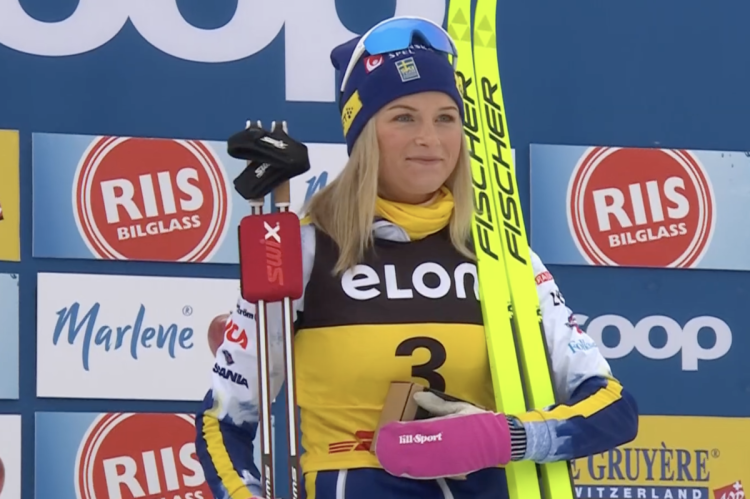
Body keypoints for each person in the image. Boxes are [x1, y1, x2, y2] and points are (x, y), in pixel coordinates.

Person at [195, 16, 639, 499]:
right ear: (364, 133)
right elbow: (224, 420)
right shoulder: (304, 251)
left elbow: (612, 408)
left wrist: (505, 436)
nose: (430, 138)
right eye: (404, 117)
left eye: (446, 118)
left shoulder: (505, 257)